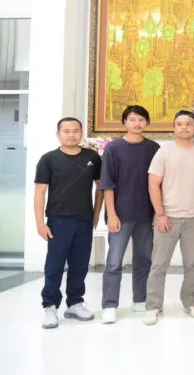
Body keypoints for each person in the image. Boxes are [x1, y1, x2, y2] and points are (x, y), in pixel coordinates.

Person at [143, 110, 194, 325]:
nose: (184, 127)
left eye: (188, 124)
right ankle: (153, 306)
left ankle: (191, 302)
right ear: (174, 128)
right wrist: (160, 214)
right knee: (159, 265)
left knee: (192, 264)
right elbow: (153, 184)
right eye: (180, 124)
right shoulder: (164, 152)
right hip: (167, 217)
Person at [35, 117, 103, 329]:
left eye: (75, 130)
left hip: (84, 220)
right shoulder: (48, 159)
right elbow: (40, 192)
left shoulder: (92, 157)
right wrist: (40, 223)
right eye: (66, 131)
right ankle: (50, 306)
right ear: (58, 134)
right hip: (58, 220)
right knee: (54, 265)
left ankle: (74, 303)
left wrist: (96, 214)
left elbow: (100, 188)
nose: (71, 134)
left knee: (80, 264)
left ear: (81, 133)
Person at [100, 105, 160, 324]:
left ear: (147, 123)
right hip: (121, 215)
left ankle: (140, 300)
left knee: (144, 259)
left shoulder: (154, 148)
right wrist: (112, 214)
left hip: (146, 213)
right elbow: (107, 184)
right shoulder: (113, 148)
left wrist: (158, 212)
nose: (137, 123)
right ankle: (109, 305)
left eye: (141, 119)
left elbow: (158, 183)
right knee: (114, 262)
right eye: (132, 119)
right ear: (125, 122)